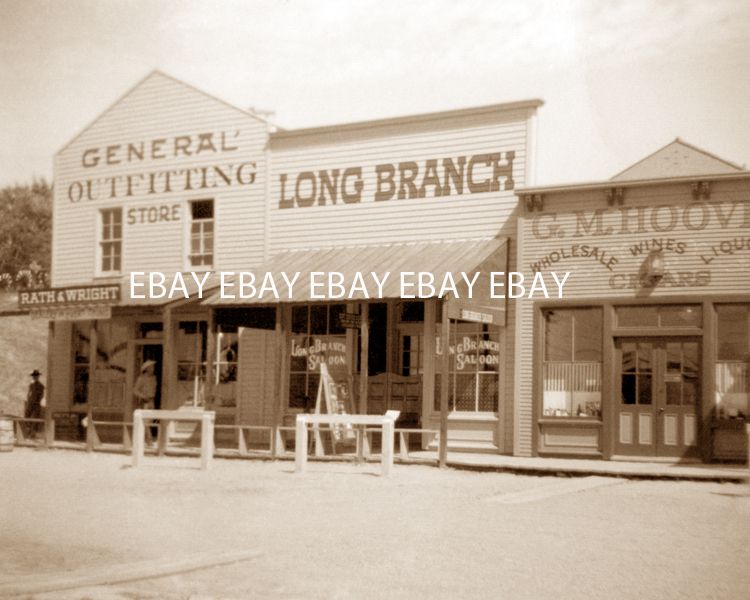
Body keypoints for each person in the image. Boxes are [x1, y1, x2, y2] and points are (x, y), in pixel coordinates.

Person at [133, 360, 158, 441]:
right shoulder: (141, 378)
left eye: (153, 367)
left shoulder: (154, 378)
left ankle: (143, 439)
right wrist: (143, 396)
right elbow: (135, 390)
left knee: (149, 421)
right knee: (145, 422)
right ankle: (148, 440)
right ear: (147, 369)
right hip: (145, 402)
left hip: (152, 401)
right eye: (151, 367)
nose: (153, 369)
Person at [25, 369, 45, 438]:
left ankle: (33, 434)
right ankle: (27, 433)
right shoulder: (31, 385)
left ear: (38, 377)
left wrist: (37, 402)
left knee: (35, 419)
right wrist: (28, 401)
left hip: (36, 404)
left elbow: (41, 395)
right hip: (30, 403)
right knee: (27, 418)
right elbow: (29, 394)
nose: (35, 377)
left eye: (36, 376)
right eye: (34, 376)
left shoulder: (41, 386)